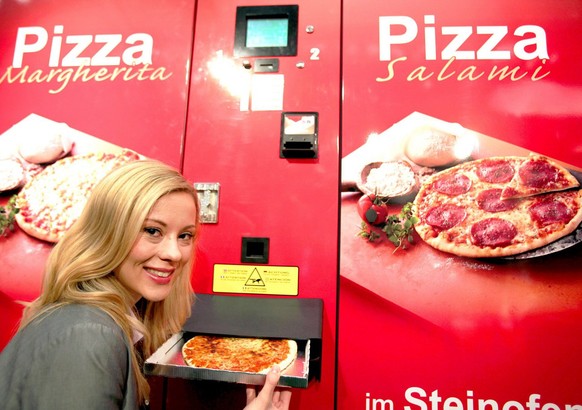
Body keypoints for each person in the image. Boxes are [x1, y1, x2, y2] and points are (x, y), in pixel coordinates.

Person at [0, 159, 292, 410]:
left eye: (185, 236)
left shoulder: (102, 319)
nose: (174, 254)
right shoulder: (88, 332)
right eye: (153, 231)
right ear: (106, 233)